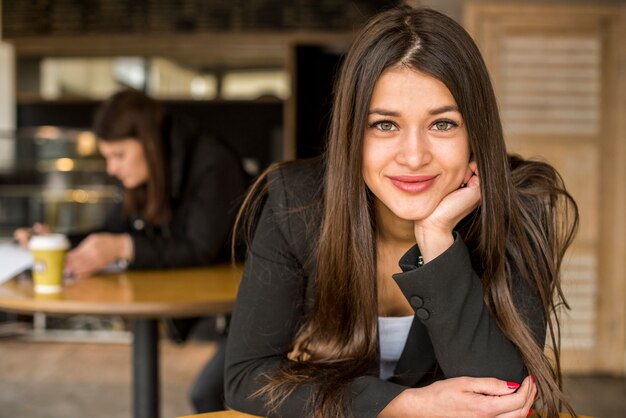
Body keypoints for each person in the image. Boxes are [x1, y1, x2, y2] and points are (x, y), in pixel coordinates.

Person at [224, 6, 579, 418]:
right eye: (385, 125)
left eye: (442, 124)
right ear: (352, 134)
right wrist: (402, 405)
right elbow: (246, 377)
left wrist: (438, 240)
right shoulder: (297, 202)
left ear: (476, 133)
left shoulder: (522, 204)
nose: (413, 157)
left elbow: (504, 398)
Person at [14, 89, 249, 412]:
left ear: (148, 144)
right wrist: (58, 240)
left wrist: (124, 247)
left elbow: (200, 247)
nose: (111, 168)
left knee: (208, 395)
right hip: (221, 305)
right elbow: (111, 231)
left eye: (119, 155)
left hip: (260, 301)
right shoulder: (150, 173)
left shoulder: (213, 162)